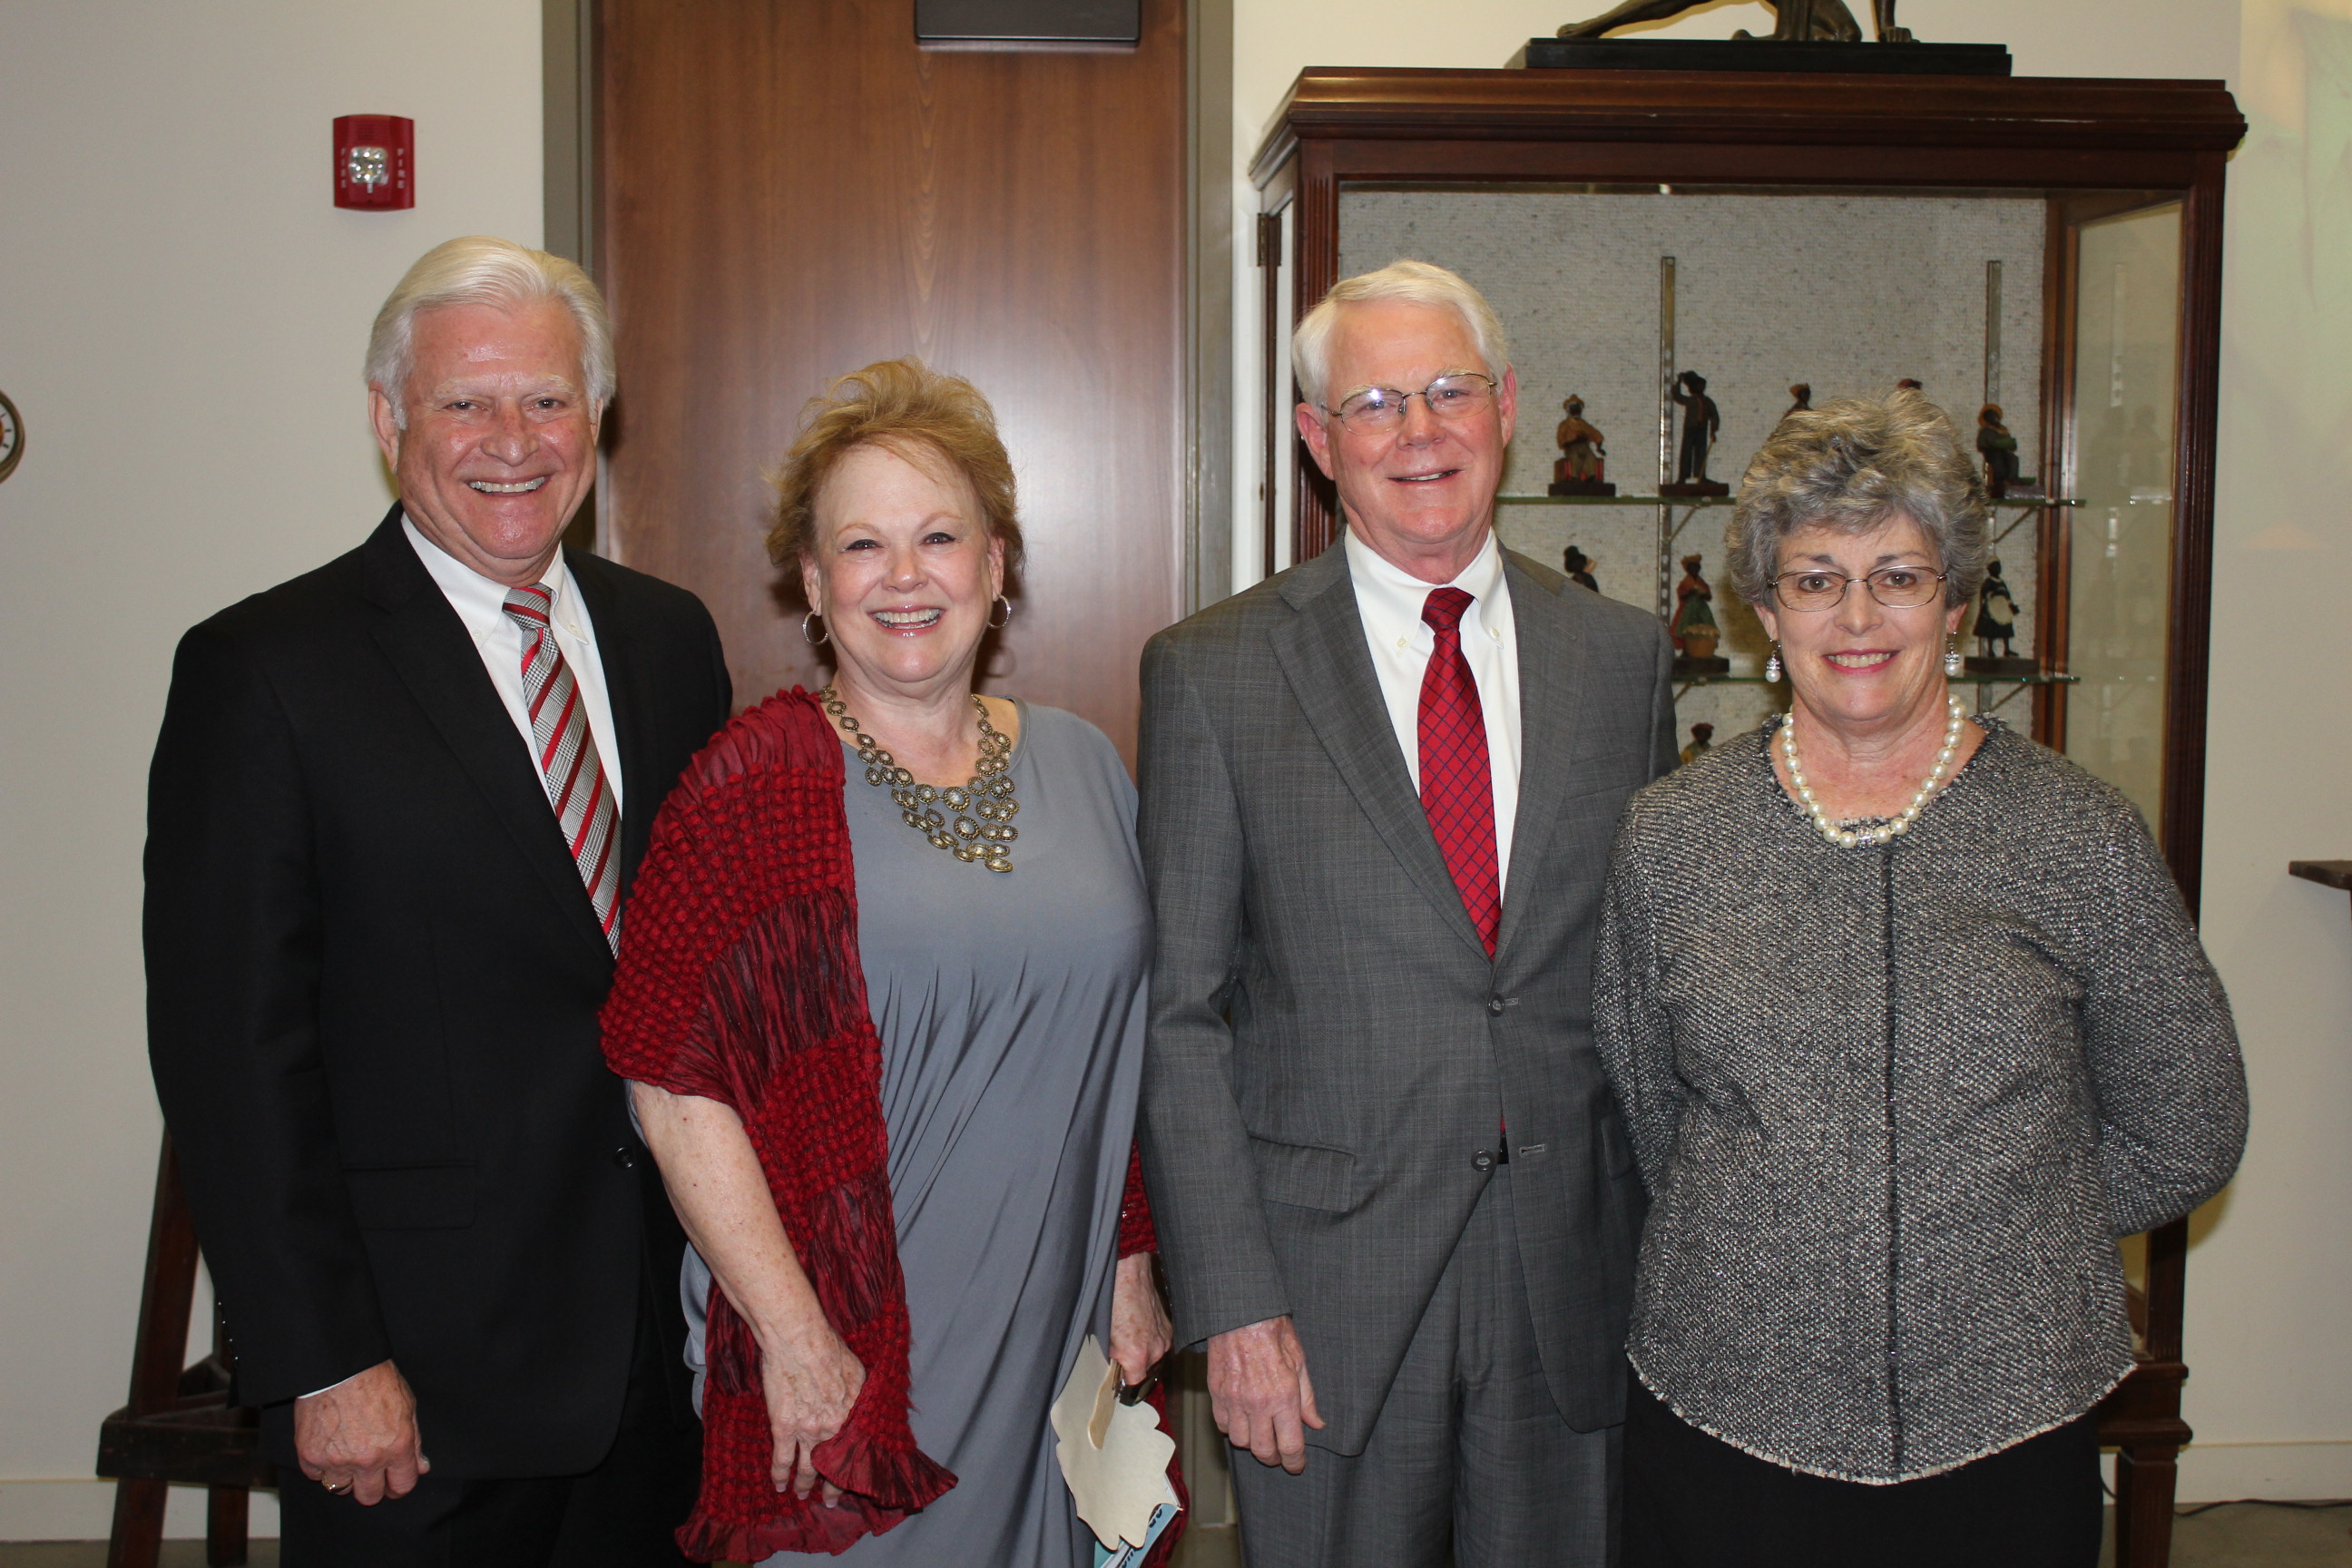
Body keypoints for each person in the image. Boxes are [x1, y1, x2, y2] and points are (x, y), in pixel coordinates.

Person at [144, 236, 734, 1564]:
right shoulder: (265, 672)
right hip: (412, 1389)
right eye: (465, 401)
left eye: (548, 399)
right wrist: (322, 1357)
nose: (511, 442)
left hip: (659, 1361)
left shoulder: (670, 641)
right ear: (388, 418)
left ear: (598, 415)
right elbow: (230, 1059)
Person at [1592, 389, 2249, 1568]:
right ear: (1764, 611)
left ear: (1953, 601)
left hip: (2009, 1421)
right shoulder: (1670, 838)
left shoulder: (2077, 834)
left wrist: (1993, 1223)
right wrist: (1787, 1225)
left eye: (1897, 576)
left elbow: (2187, 1122)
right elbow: (1652, 1112)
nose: (1858, 616)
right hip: (1725, 1413)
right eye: (1816, 579)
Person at [1138, 259, 1676, 1567]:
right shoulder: (1214, 673)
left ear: (1507, 407)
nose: (1419, 431)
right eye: (1375, 404)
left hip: (1572, 1282)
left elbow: (1655, 984)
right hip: (1324, 1304)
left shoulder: (1622, 658)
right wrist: (1234, 1305)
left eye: (1449, 391)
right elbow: (1180, 1019)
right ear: (1318, 441)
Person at [601, 358, 1174, 1563]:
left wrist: (1128, 1261)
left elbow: (1113, 1048)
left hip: (1055, 1326)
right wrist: (797, 1339)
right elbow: (668, 1085)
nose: (905, 576)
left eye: (939, 537)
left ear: (997, 566)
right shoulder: (750, 789)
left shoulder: (1087, 765)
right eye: (863, 546)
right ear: (814, 585)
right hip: (854, 1342)